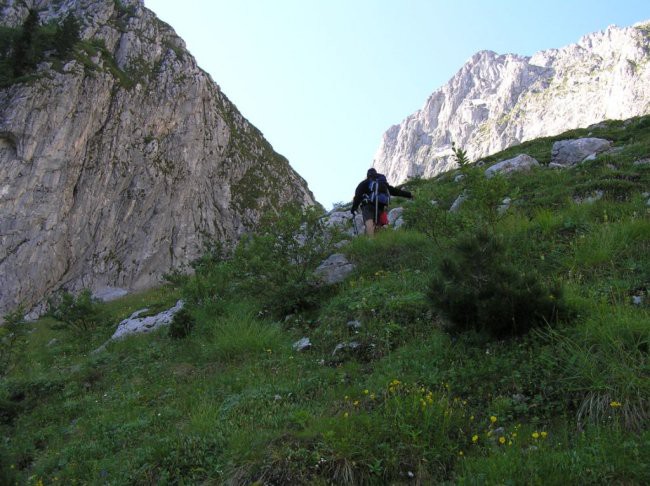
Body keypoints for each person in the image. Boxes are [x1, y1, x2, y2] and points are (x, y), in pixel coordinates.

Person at [351, 168, 413, 236]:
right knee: (379, 225)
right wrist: (409, 195)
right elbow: (396, 191)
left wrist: (354, 208)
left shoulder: (364, 183)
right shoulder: (383, 184)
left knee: (369, 224)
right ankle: (381, 240)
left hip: (368, 206)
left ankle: (370, 242)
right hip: (380, 207)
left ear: (368, 175)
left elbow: (357, 196)